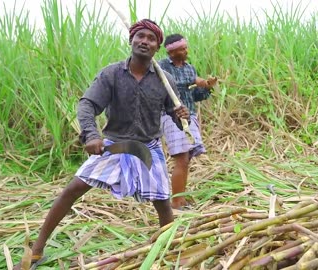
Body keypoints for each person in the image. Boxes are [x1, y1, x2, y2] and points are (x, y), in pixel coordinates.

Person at [13, 19, 189, 269]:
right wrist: (91, 135)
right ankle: (37, 251)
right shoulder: (112, 74)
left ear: (157, 47)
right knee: (72, 189)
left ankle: (168, 253)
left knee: (162, 202)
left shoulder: (165, 80)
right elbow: (87, 105)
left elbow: (173, 113)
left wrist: (179, 114)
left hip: (147, 147)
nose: (144, 41)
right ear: (131, 41)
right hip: (115, 144)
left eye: (151, 39)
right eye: (141, 36)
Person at [158, 34, 217, 209]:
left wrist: (207, 87)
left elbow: (194, 95)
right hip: (171, 116)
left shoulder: (189, 68)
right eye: (182, 49)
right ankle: (176, 203)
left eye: (185, 48)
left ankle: (180, 199)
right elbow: (168, 86)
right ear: (172, 52)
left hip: (188, 115)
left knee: (186, 158)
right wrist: (196, 81)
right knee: (181, 157)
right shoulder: (161, 67)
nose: (185, 51)